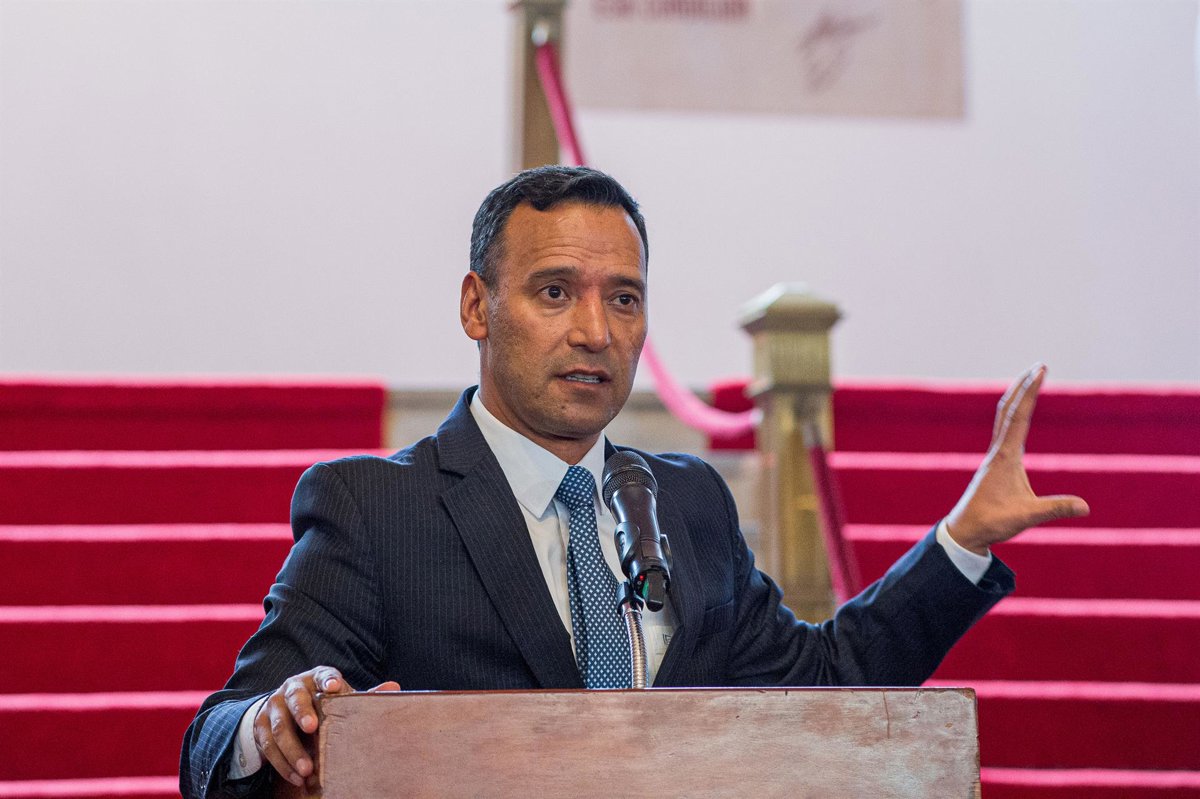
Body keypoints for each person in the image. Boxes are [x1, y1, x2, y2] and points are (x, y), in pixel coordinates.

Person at [179, 166, 1088, 798]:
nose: (596, 331)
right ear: (476, 306)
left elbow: (824, 683)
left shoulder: (688, 502)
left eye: (624, 297)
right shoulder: (378, 508)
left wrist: (962, 541)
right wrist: (272, 723)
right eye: (554, 292)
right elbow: (212, 740)